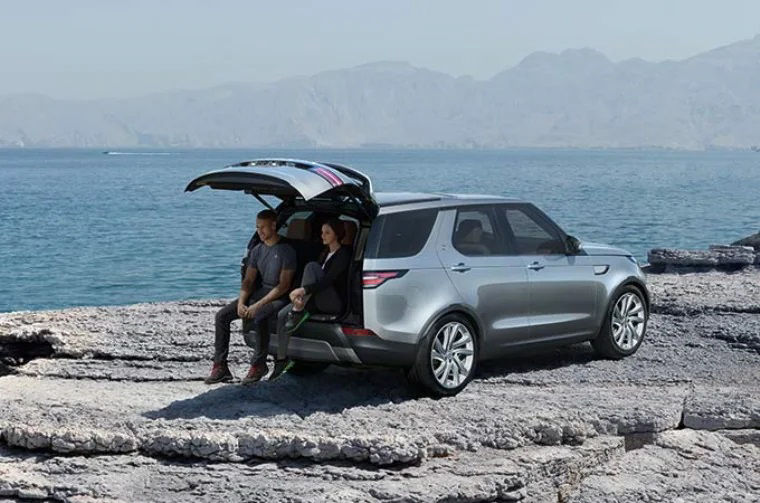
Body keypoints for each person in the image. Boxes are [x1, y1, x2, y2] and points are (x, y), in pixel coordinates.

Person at [205, 209, 296, 385]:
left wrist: (257, 305)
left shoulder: (287, 251)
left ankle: (259, 365)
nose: (259, 231)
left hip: (279, 297)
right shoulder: (257, 250)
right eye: (257, 227)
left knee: (260, 316)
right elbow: (248, 280)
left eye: (263, 227)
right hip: (260, 293)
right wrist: (241, 302)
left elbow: (284, 285)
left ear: (274, 226)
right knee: (222, 316)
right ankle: (220, 366)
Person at [268, 217, 352, 380]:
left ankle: (298, 310)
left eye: (327, 232)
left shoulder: (344, 254)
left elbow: (327, 282)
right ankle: (281, 359)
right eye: (322, 232)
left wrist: (302, 290)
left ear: (337, 234)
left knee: (311, 267)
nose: (323, 235)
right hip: (314, 299)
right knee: (282, 315)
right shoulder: (324, 253)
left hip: (333, 302)